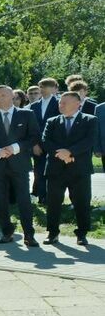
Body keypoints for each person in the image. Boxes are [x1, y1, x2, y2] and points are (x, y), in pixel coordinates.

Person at [0, 85, 40, 246]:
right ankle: (6, 232)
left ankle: (29, 234)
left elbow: (34, 137)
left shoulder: (26, 114)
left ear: (12, 96)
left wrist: (15, 148)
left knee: (24, 200)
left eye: (4, 95)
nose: (0, 98)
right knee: (1, 201)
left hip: (19, 165)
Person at [41, 90, 96, 246]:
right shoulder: (52, 121)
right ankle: (52, 233)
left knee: (82, 202)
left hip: (79, 169)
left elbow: (89, 141)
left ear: (77, 104)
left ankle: (82, 234)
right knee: (53, 203)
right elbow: (46, 141)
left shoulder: (90, 120)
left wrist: (70, 152)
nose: (61, 105)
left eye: (65, 102)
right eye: (60, 102)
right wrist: (62, 154)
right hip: (55, 169)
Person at [29, 77, 61, 205]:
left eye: (47, 86)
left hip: (55, 144)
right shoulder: (34, 105)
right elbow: (31, 127)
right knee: (39, 172)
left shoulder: (60, 103)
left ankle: (54, 198)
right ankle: (43, 198)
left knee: (55, 172)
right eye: (41, 86)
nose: (43, 89)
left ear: (54, 88)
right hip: (38, 145)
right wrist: (35, 144)